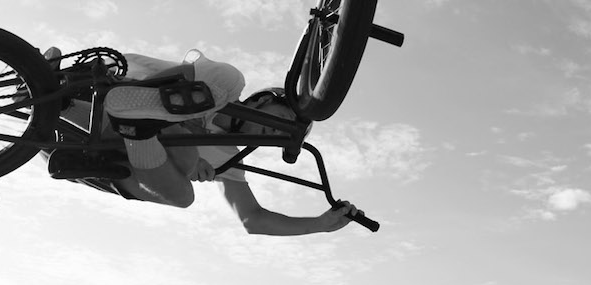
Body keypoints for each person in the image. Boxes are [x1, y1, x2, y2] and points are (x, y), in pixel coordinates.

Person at [43, 47, 360, 236]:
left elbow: (252, 219)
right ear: (265, 100)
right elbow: (181, 77)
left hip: (87, 158)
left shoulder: (229, 158)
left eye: (282, 140)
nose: (277, 135)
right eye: (282, 121)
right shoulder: (226, 85)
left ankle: (138, 126)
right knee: (212, 101)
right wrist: (182, 137)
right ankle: (99, 106)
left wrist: (319, 224)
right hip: (94, 98)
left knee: (184, 195)